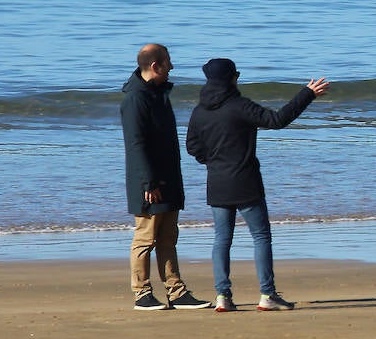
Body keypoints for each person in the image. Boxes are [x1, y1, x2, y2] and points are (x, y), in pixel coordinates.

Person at [186, 58, 329, 311]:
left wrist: (214, 162)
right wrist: (306, 94)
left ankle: (223, 297)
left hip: (217, 183)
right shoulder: (239, 106)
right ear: (232, 78)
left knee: (222, 239)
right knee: (261, 236)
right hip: (245, 181)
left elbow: (193, 148)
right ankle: (267, 295)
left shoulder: (199, 111)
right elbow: (277, 120)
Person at [120, 43, 211, 311]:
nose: (172, 67)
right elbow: (136, 144)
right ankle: (141, 293)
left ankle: (176, 291)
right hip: (147, 182)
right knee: (145, 238)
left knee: (169, 237)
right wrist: (148, 182)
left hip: (169, 177)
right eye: (168, 62)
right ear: (155, 66)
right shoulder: (135, 99)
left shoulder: (158, 94)